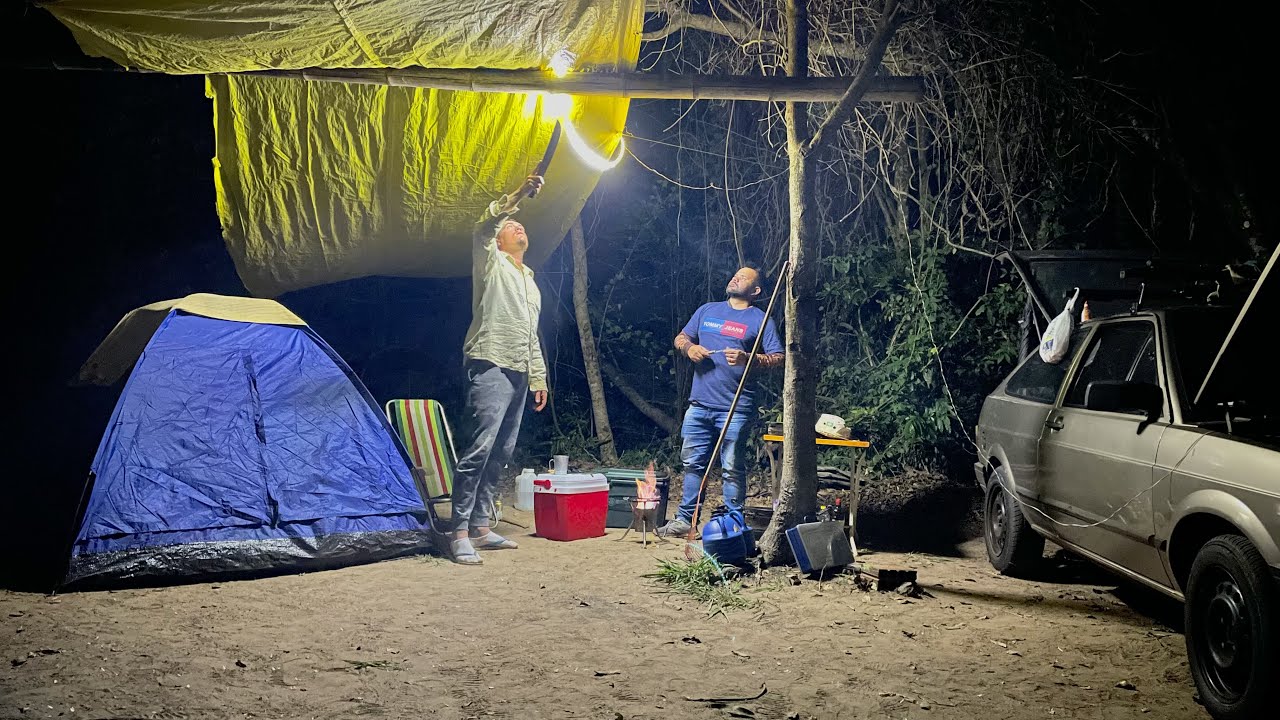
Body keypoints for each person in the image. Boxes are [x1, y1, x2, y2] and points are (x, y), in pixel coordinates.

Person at [448, 174, 550, 565]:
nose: (517, 226)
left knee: (502, 452)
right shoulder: (491, 262)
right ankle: (458, 532)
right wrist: (518, 197)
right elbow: (482, 227)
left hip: (520, 368)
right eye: (510, 226)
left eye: (519, 225)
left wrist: (538, 377)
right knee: (479, 449)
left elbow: (530, 333)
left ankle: (480, 527)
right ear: (500, 239)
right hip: (490, 362)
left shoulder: (530, 281)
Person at [657, 264, 783, 538]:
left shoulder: (760, 320)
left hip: (735, 408)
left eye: (743, 277)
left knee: (731, 467)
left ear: (755, 290)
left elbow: (778, 357)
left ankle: (732, 524)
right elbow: (681, 337)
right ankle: (685, 522)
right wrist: (689, 349)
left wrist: (748, 358)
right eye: (735, 275)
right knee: (692, 464)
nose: (735, 278)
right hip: (699, 405)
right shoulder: (707, 310)